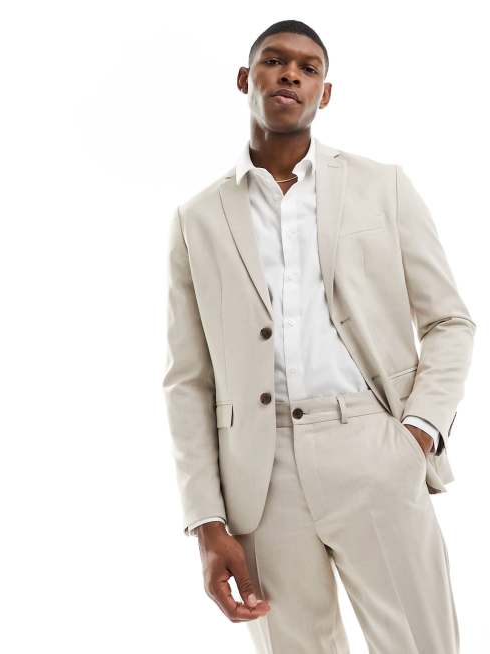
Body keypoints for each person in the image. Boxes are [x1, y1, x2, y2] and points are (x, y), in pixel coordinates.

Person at [162, 18, 476, 653]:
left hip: (371, 445)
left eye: (308, 69)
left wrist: (416, 434)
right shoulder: (198, 217)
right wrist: (206, 521)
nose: (291, 75)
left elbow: (449, 322)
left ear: (324, 93)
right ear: (245, 79)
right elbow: (188, 379)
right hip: (260, 476)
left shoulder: (382, 186)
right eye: (274, 61)